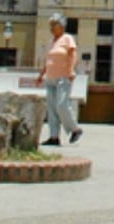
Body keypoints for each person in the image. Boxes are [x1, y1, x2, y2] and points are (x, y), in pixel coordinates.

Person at [36, 13, 84, 146]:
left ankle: (75, 129)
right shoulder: (52, 42)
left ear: (61, 26)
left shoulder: (67, 38)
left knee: (61, 104)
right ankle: (54, 136)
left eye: (54, 25)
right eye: (50, 25)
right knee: (51, 108)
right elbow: (49, 60)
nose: (51, 28)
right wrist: (41, 75)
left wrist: (71, 70)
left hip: (63, 77)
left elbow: (73, 54)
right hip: (50, 78)